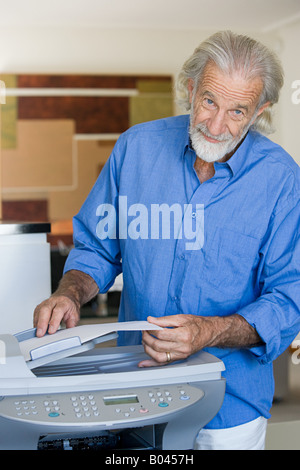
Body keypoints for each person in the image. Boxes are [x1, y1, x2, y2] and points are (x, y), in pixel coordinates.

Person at [34, 31, 300, 450]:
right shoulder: (135, 148)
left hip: (229, 406)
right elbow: (99, 249)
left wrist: (209, 331)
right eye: (210, 100)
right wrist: (69, 293)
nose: (216, 126)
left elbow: (289, 298)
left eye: (238, 111)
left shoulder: (282, 180)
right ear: (191, 87)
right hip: (134, 391)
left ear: (259, 111)